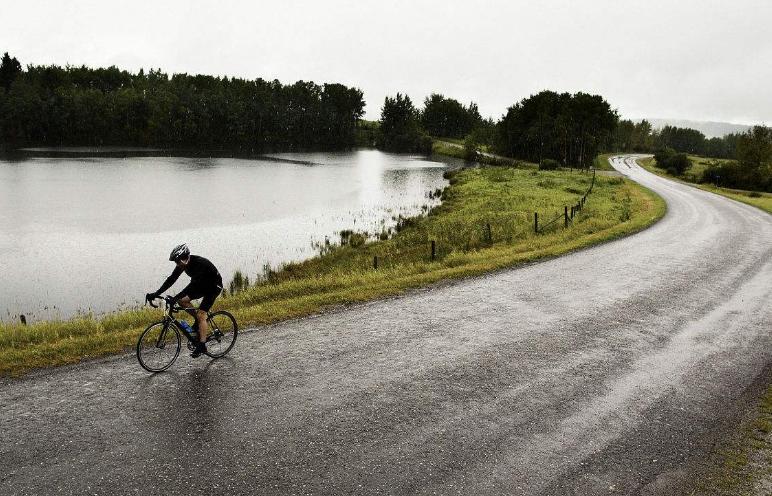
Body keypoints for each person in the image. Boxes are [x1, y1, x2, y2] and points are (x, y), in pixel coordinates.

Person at [146, 244, 223, 357]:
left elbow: (193, 285)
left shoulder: (199, 264)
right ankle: (198, 323)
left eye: (178, 261)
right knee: (182, 301)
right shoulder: (183, 265)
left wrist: (175, 297)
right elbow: (171, 279)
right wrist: (156, 293)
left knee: (202, 315)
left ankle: (202, 345)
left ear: (184, 258)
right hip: (201, 285)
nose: (177, 264)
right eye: (176, 262)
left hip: (213, 287)